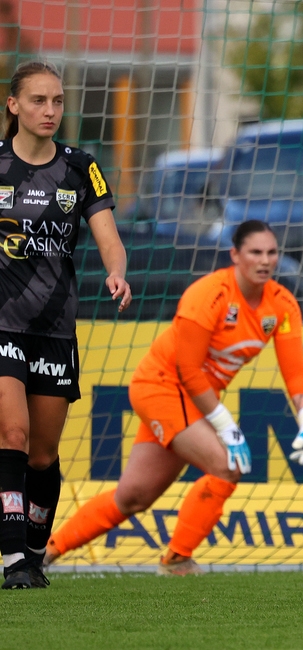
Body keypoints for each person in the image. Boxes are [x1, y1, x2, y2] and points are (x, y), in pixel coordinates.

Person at [45, 220, 303, 576]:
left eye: (271, 252)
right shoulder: (208, 295)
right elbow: (189, 372)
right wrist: (227, 428)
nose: (265, 260)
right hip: (160, 387)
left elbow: (295, 372)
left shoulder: (283, 305)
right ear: (235, 255)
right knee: (228, 465)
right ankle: (177, 560)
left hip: (194, 400)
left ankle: (45, 551)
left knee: (134, 496)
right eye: (255, 252)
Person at [0, 61, 131, 589]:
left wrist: (117, 273)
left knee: (43, 453)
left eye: (56, 100)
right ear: (13, 106)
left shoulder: (81, 168)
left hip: (56, 327)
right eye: (37, 100)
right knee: (11, 431)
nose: (50, 110)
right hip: (3, 322)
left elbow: (109, 239)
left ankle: (33, 550)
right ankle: (11, 559)